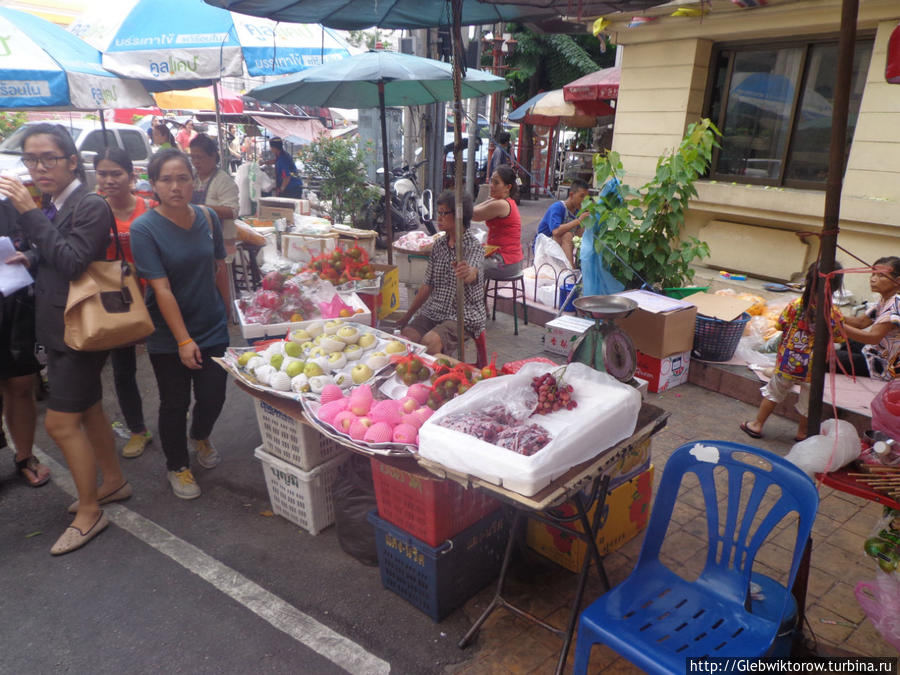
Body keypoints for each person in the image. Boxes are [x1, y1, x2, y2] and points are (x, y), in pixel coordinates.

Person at [0, 123, 128, 555]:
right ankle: (113, 482)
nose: (38, 168)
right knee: (89, 409)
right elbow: (56, 249)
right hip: (61, 325)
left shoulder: (90, 204)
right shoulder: (54, 203)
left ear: (72, 161)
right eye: (31, 160)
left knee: (58, 422)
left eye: (48, 159)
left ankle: (90, 511)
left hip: (83, 328)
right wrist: (30, 255)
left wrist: (30, 214)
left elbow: (74, 261)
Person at [130, 148, 230, 500]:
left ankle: (200, 435)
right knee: (174, 402)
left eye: (183, 178)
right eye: (166, 179)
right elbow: (161, 288)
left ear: (194, 181)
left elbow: (220, 266)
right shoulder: (144, 229)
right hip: (168, 334)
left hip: (212, 324)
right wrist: (184, 341)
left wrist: (230, 312)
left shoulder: (208, 218)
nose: (175, 186)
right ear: (154, 185)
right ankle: (177, 466)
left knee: (213, 395)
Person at [740, 262, 845, 443]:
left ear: (808, 281)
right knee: (808, 401)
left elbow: (780, 325)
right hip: (814, 366)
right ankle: (802, 432)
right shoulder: (834, 313)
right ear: (836, 288)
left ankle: (757, 424)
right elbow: (839, 338)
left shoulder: (795, 305)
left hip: (789, 361)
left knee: (773, 392)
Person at [94, 148, 153, 459]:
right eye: (102, 173)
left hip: (154, 297)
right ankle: (137, 429)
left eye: (116, 173)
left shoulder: (151, 208)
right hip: (116, 301)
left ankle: (177, 426)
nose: (109, 180)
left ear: (131, 176)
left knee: (165, 363)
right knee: (123, 370)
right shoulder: (95, 212)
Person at [399, 190, 485, 356]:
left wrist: (466, 272)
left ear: (460, 216)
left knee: (429, 343)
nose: (439, 218)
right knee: (406, 339)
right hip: (435, 310)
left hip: (463, 314)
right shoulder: (438, 246)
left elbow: (472, 272)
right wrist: (407, 316)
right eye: (438, 213)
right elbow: (427, 285)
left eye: (444, 213)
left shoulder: (473, 246)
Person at [0, 199, 49, 487]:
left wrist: (29, 255)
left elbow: (46, 245)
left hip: (16, 308)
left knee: (20, 386)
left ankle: (25, 456)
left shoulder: (13, 204)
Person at [839, 256, 900, 379]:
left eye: (880, 276)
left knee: (826, 357)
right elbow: (860, 322)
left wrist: (835, 325)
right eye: (872, 275)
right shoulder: (884, 299)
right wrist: (834, 315)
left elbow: (873, 338)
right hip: (874, 352)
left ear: (897, 281)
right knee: (844, 341)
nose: (873, 279)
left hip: (884, 364)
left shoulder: (896, 304)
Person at [189, 133, 240, 256]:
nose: (196, 162)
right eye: (193, 157)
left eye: (200, 157)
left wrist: (201, 209)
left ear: (212, 157)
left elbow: (232, 211)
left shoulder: (223, 180)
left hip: (221, 242)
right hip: (197, 241)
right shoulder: (192, 178)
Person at [472, 165, 523, 277]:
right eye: (491, 181)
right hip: (504, 257)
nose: (491, 186)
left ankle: (472, 295)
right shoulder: (502, 201)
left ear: (508, 187)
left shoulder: (502, 204)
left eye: (496, 183)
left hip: (505, 261)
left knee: (466, 268)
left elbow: (473, 214)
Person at [536, 178, 591, 268]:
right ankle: (570, 270)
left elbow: (579, 235)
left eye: (586, 198)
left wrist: (584, 223)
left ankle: (575, 266)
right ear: (571, 194)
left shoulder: (578, 211)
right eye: (581, 196)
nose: (584, 200)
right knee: (567, 235)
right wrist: (578, 221)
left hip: (560, 248)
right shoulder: (558, 207)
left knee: (580, 237)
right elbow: (556, 231)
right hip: (544, 246)